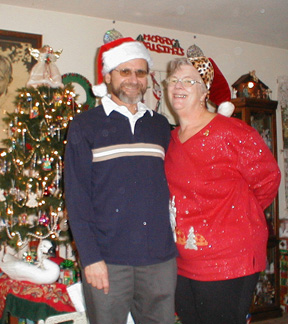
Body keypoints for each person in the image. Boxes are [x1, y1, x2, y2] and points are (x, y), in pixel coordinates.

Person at [64, 37, 177, 324]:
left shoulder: (160, 125)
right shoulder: (84, 125)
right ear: (108, 75)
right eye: (124, 71)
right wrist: (90, 257)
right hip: (108, 262)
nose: (133, 80)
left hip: (160, 261)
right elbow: (77, 199)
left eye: (140, 72)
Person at [164, 57, 281, 324]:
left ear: (205, 91)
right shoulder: (170, 140)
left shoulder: (233, 132)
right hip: (184, 260)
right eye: (173, 80)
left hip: (229, 262)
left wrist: (235, 215)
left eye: (188, 80)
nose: (178, 86)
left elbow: (268, 179)